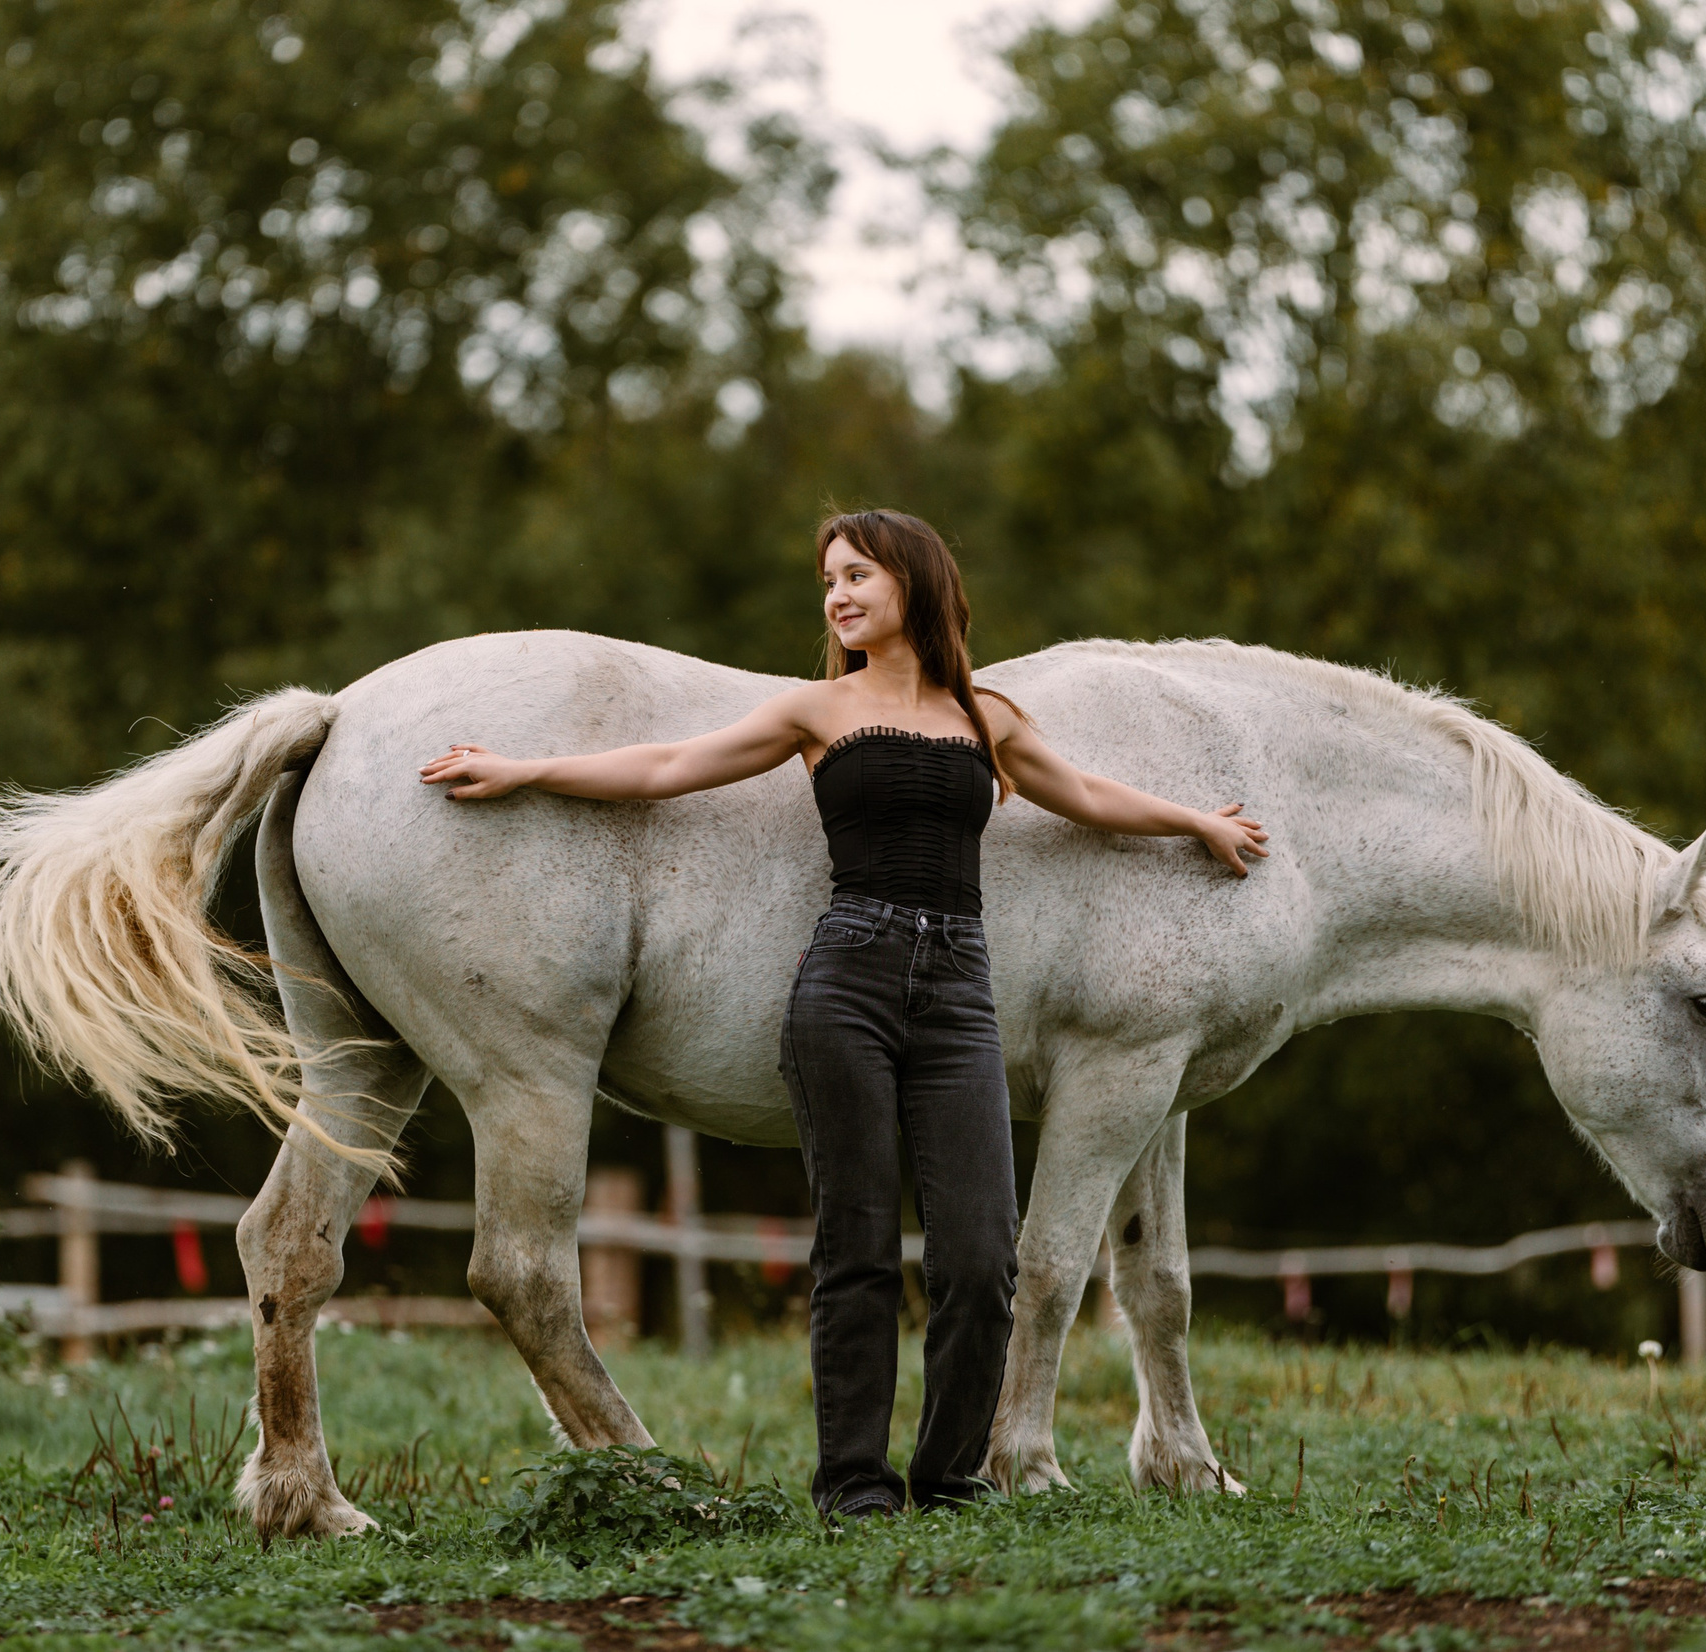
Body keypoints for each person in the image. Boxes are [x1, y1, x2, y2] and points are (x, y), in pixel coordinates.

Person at [419, 509, 1267, 1519]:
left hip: (959, 990)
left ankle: (951, 1477)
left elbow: (1081, 791)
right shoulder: (814, 710)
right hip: (846, 981)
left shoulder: (983, 713)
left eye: (858, 573)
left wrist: (1197, 822)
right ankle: (853, 1486)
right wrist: (526, 769)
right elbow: (665, 768)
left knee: (978, 1250)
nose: (838, 594)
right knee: (855, 1249)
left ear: (915, 581)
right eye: (829, 579)